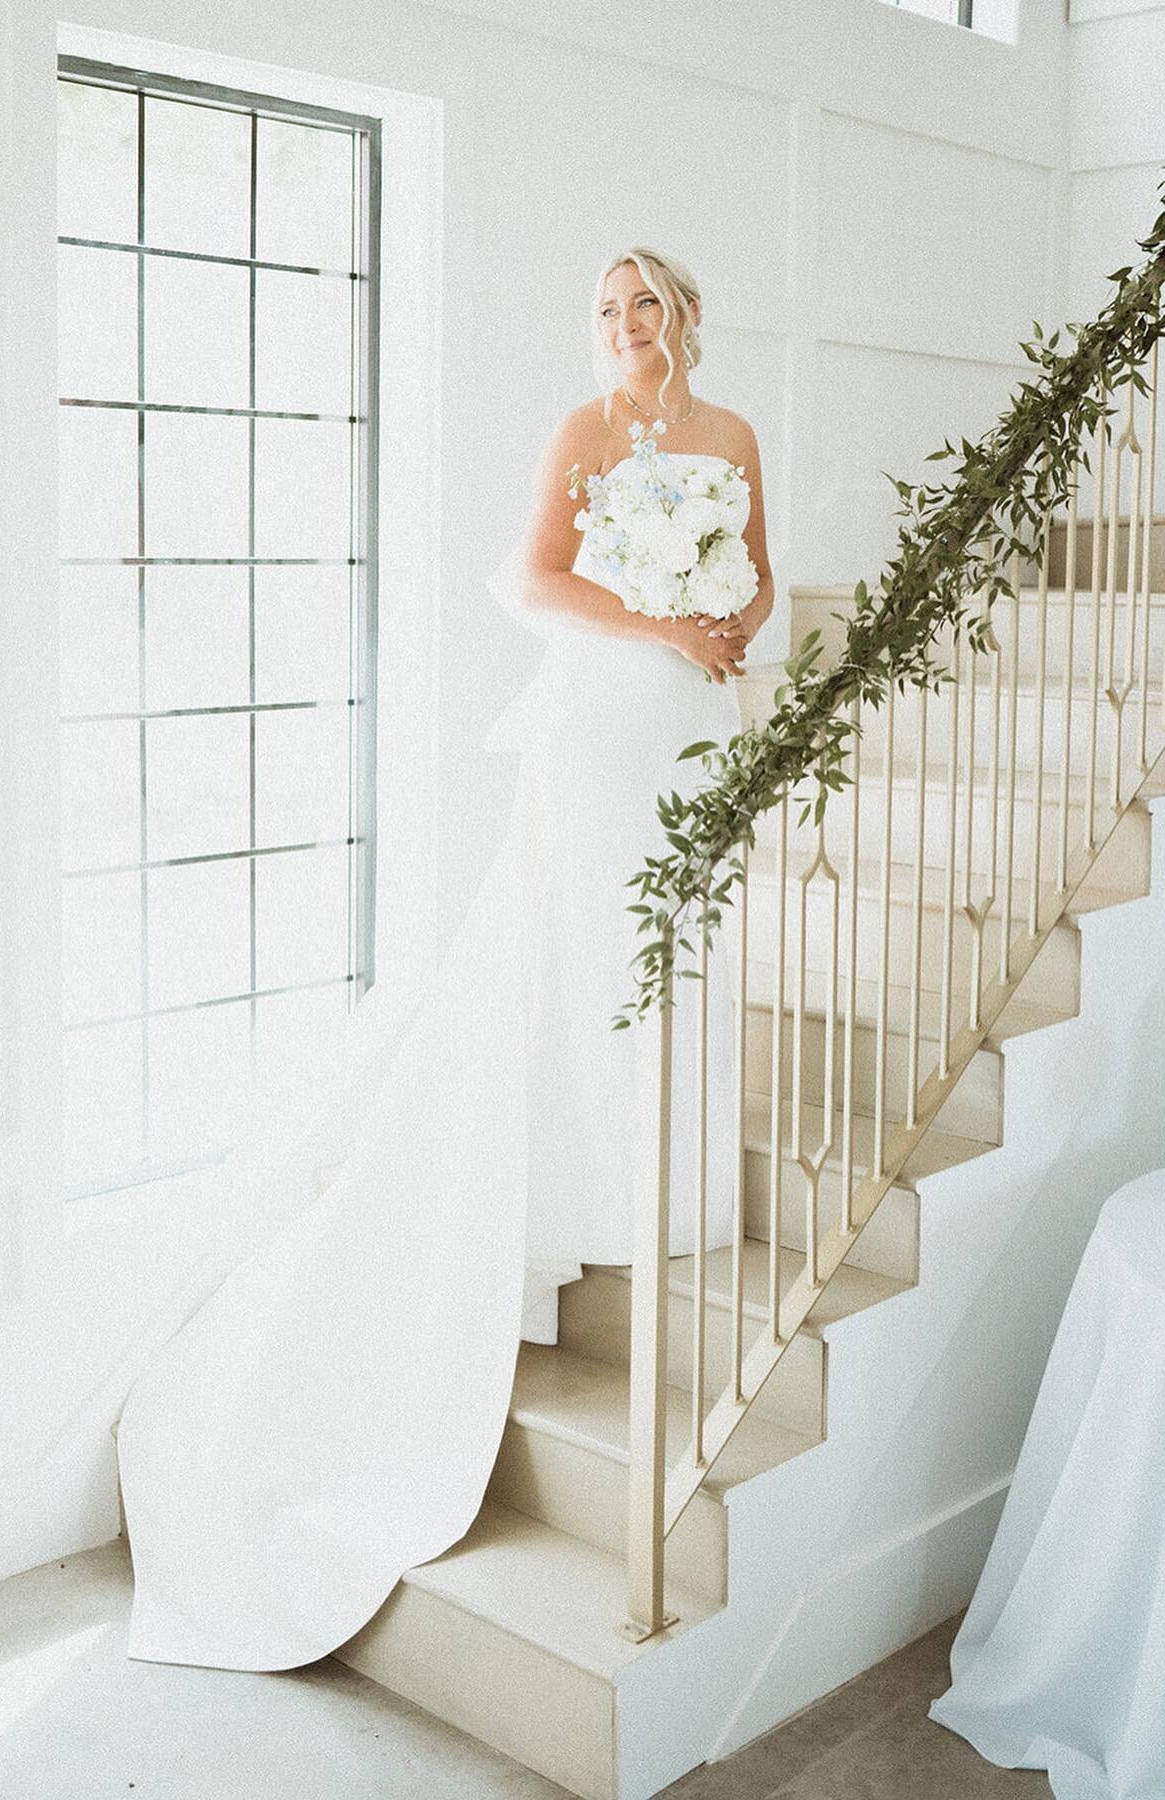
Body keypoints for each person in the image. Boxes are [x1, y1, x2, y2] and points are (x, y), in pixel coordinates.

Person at [115, 246, 775, 1672]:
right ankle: (568, 1178)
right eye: (602, 309)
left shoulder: (730, 436)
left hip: (689, 717)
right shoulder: (583, 430)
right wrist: (661, 617)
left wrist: (731, 621)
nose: (621, 327)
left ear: (688, 314)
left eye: (643, 304)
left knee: (681, 938)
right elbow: (540, 573)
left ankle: (662, 1180)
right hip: (605, 710)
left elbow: (760, 572)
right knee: (583, 939)